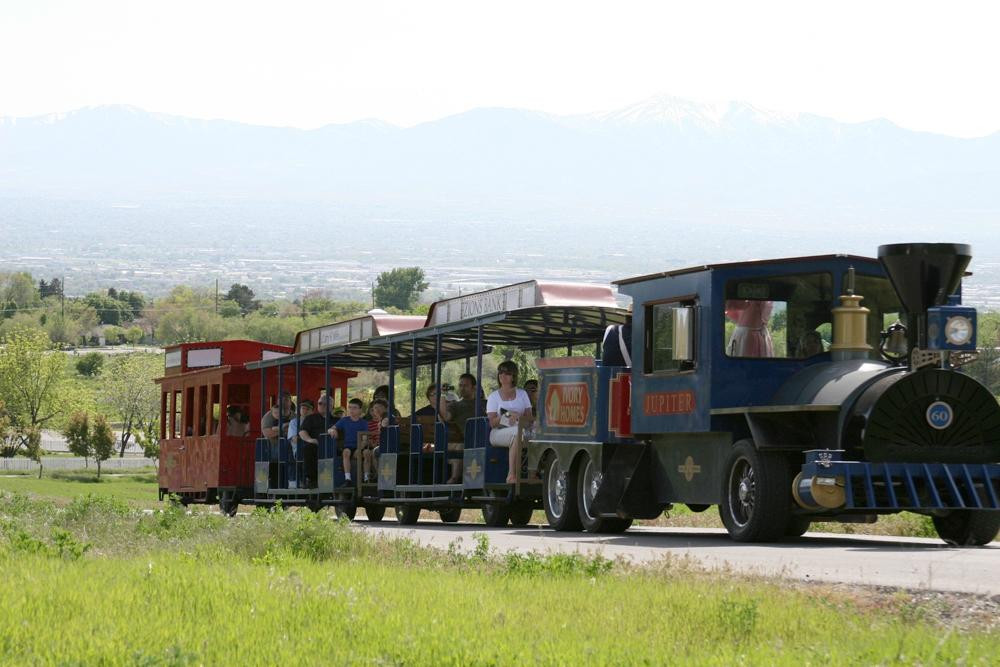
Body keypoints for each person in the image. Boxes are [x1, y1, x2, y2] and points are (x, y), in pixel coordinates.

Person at [486, 361, 533, 484]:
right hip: (498, 432)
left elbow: (529, 418)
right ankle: (511, 475)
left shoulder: (522, 394)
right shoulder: (493, 397)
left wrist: (518, 416)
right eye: (500, 372)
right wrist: (507, 415)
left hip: (521, 429)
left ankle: (532, 475)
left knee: (530, 433)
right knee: (517, 434)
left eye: (507, 373)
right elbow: (492, 423)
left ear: (513, 376)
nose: (502, 375)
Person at [442, 373, 478, 483]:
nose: (462, 388)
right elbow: (446, 417)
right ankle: (454, 478)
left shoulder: (484, 404)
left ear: (474, 387)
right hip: (466, 439)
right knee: (460, 446)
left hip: (483, 438)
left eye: (465, 385)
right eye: (460, 385)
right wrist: (442, 396)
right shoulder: (455, 405)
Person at [331, 398, 368, 483]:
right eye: (350, 407)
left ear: (360, 410)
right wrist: (332, 430)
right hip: (348, 447)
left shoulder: (364, 423)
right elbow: (333, 427)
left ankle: (366, 477)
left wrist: (359, 448)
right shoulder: (344, 420)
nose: (351, 410)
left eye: (354, 408)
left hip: (360, 447)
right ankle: (347, 477)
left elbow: (365, 439)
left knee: (367, 453)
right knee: (346, 452)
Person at [295, 399, 326, 488]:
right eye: (320, 403)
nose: (322, 405)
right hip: (316, 445)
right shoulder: (311, 418)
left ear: (331, 405)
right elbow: (302, 432)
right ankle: (311, 479)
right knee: (308, 448)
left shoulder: (336, 419)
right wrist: (310, 440)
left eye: (325, 404)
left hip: (332, 445)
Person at [363, 398, 389, 482]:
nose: (377, 410)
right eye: (375, 408)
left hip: (385, 445)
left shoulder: (386, 419)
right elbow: (367, 437)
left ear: (385, 409)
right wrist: (371, 443)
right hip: (374, 445)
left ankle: (379, 476)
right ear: (372, 411)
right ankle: (369, 477)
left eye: (380, 407)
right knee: (370, 453)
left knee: (375, 452)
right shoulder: (368, 424)